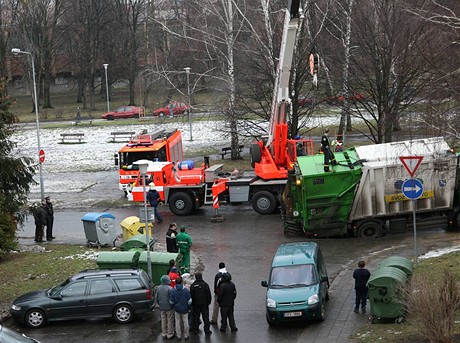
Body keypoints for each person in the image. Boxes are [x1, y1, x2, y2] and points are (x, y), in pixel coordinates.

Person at [169, 276, 191, 341]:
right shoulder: (186, 290)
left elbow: (171, 302)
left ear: (175, 283)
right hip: (185, 309)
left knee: (177, 322)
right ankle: (186, 335)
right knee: (186, 322)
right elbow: (189, 301)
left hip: (177, 309)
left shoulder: (173, 290)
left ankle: (178, 335)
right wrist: (188, 308)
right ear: (182, 282)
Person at [156, 275, 175, 339]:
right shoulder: (170, 288)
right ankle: (170, 333)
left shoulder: (158, 288)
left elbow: (157, 298)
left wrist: (160, 304)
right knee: (170, 320)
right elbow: (172, 299)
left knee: (163, 320)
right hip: (169, 307)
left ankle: (164, 333)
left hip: (162, 307)